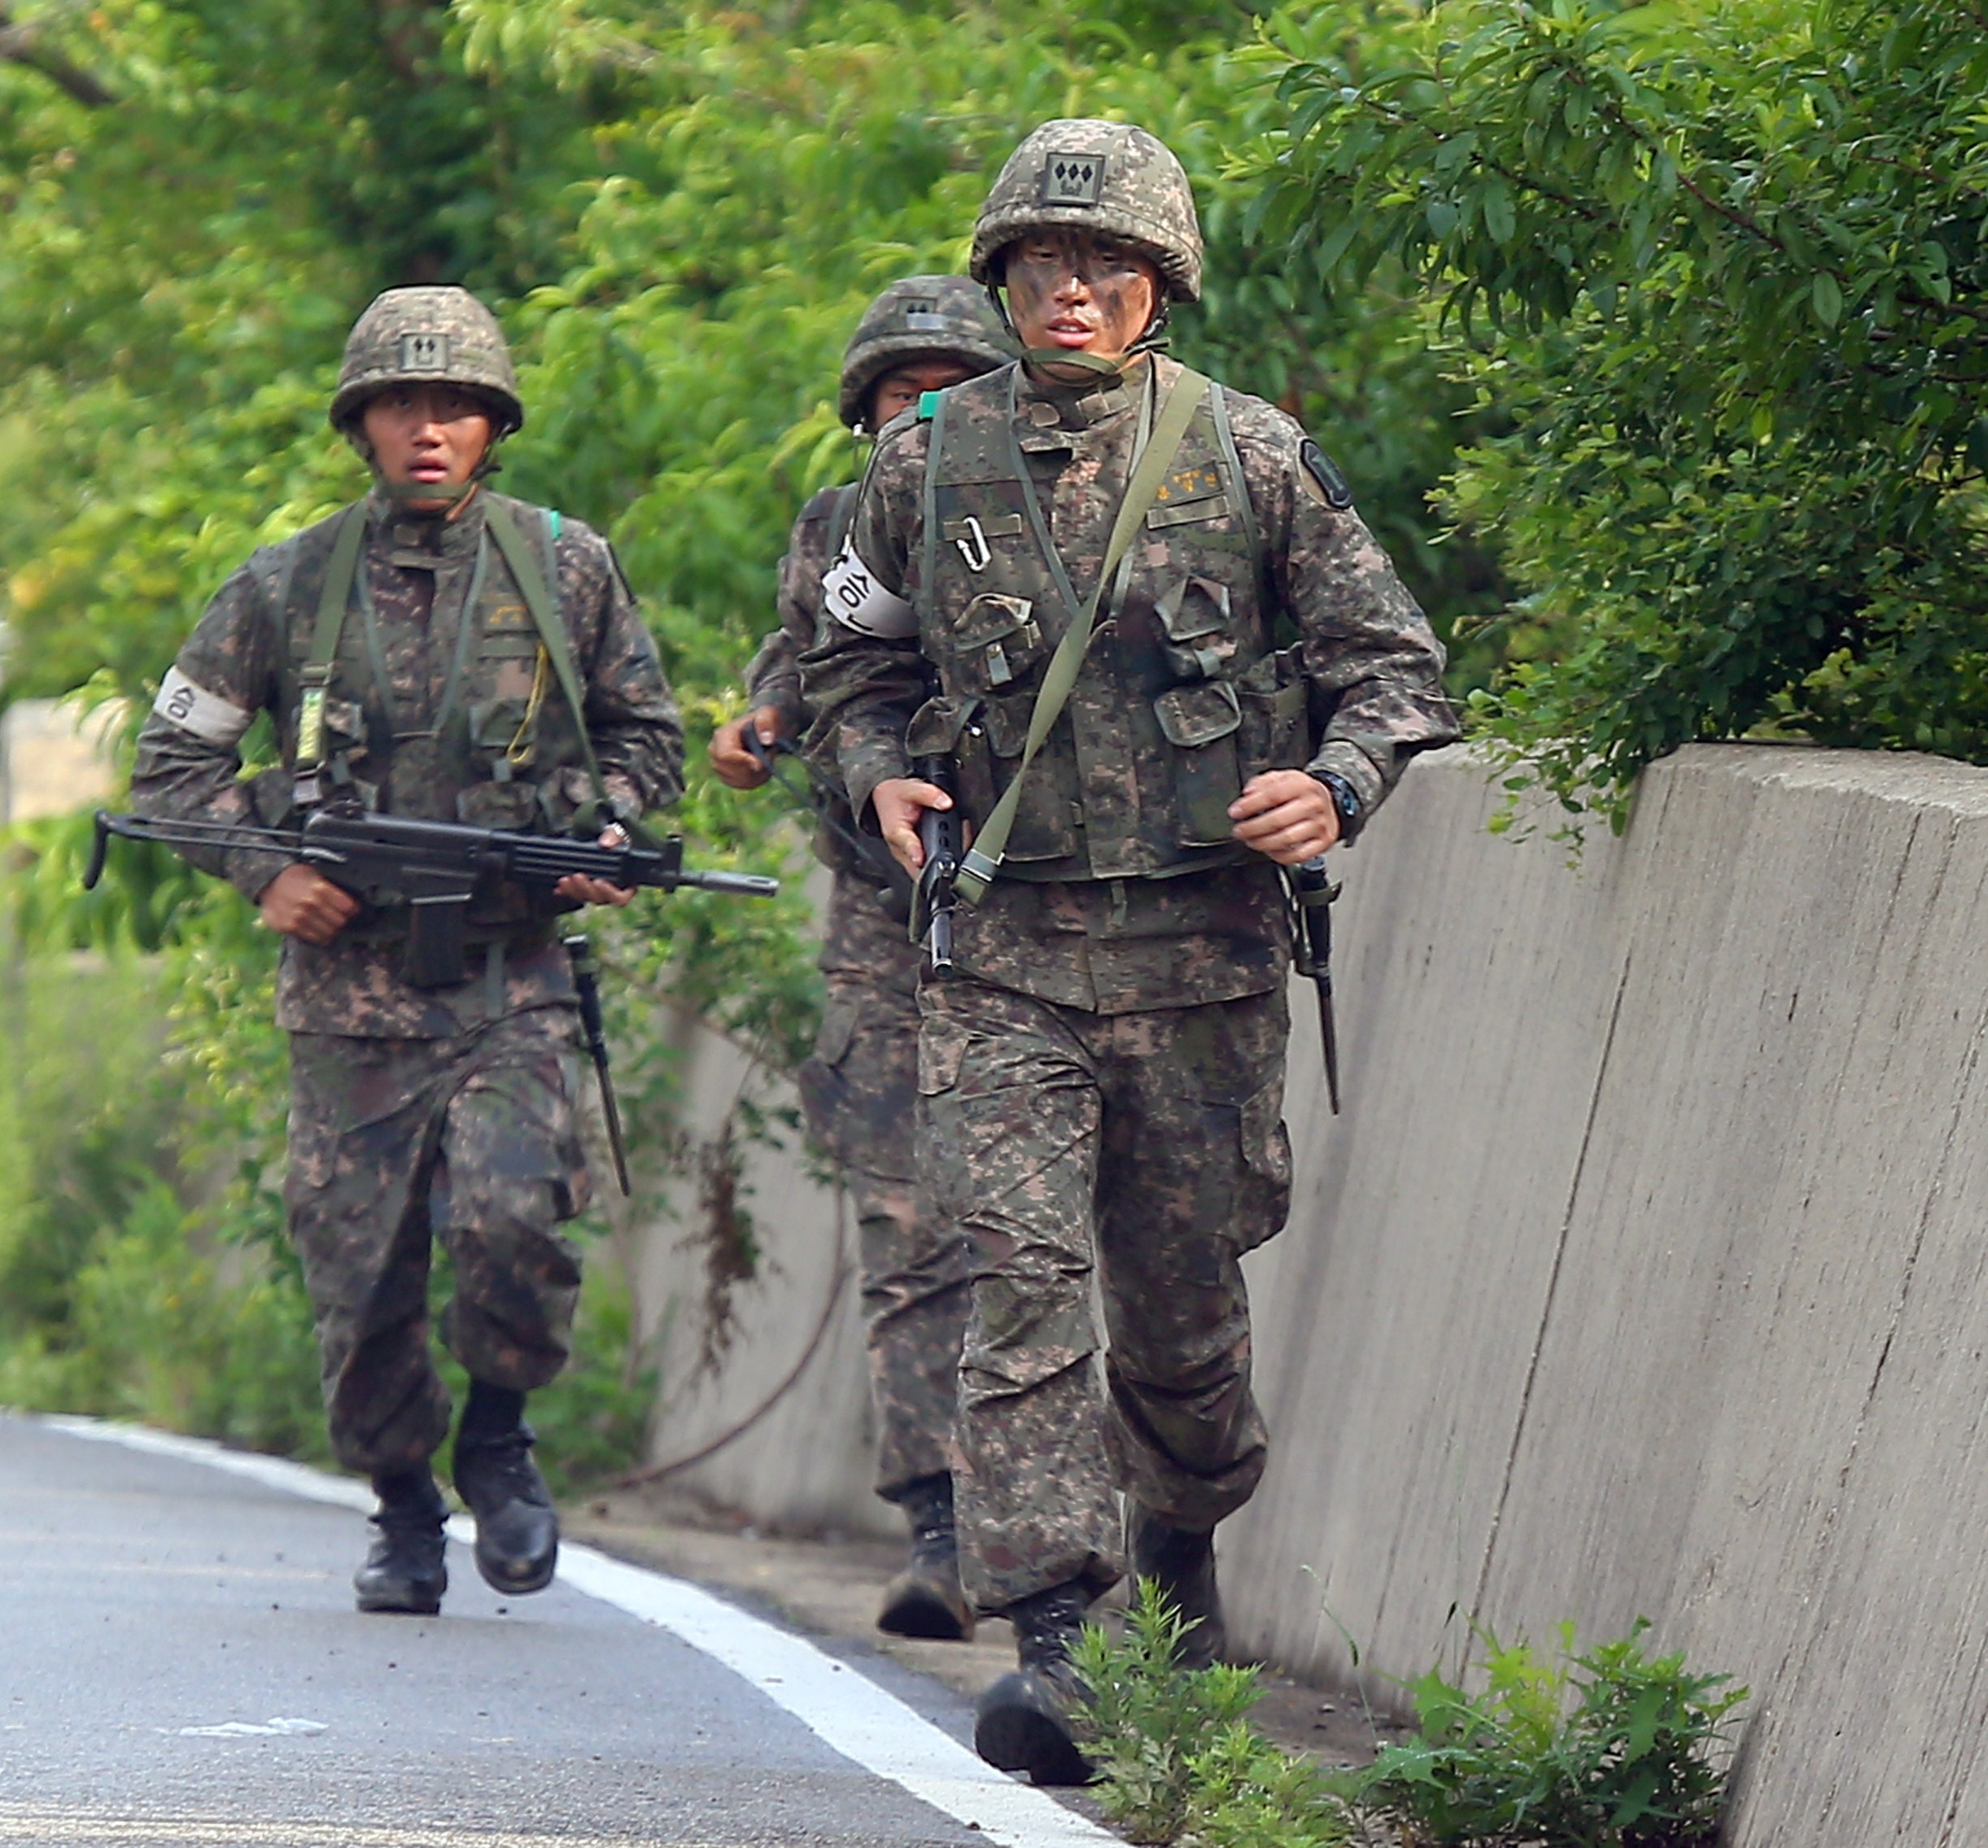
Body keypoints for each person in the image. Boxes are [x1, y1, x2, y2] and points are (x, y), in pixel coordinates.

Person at [803, 120, 1460, 1782]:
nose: (1072, 288)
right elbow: (844, 670)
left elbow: (1396, 668)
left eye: (1105, 264)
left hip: (1199, 960)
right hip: (1003, 951)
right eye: (1040, 262)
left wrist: (1331, 782)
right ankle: (1058, 1635)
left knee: (1179, 1324)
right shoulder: (916, 464)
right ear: (1001, 278)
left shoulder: (1250, 458)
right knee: (1018, 1291)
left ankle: (1179, 1535)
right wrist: (876, 772)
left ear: (1158, 285)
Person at [129, 286, 686, 1616]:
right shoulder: (285, 583)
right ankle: (399, 1510)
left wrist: (604, 832)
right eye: (400, 404)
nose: (427, 428)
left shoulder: (567, 569)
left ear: (492, 424)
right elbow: (170, 765)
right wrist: (269, 871)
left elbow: (648, 744)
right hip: (348, 1001)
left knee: (509, 1217)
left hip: (513, 982)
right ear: (361, 423)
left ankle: (497, 1434)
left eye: (454, 406)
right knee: (359, 1273)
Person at [707, 275, 1017, 1642]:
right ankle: (940, 1523)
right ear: (865, 414)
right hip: (882, 925)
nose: (929, 415)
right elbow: (807, 659)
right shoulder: (841, 532)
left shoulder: (1059, 510)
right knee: (905, 1225)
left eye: (953, 390)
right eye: (904, 396)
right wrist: (759, 724)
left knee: (1045, 1236)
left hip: (1043, 919)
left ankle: (1067, 1530)